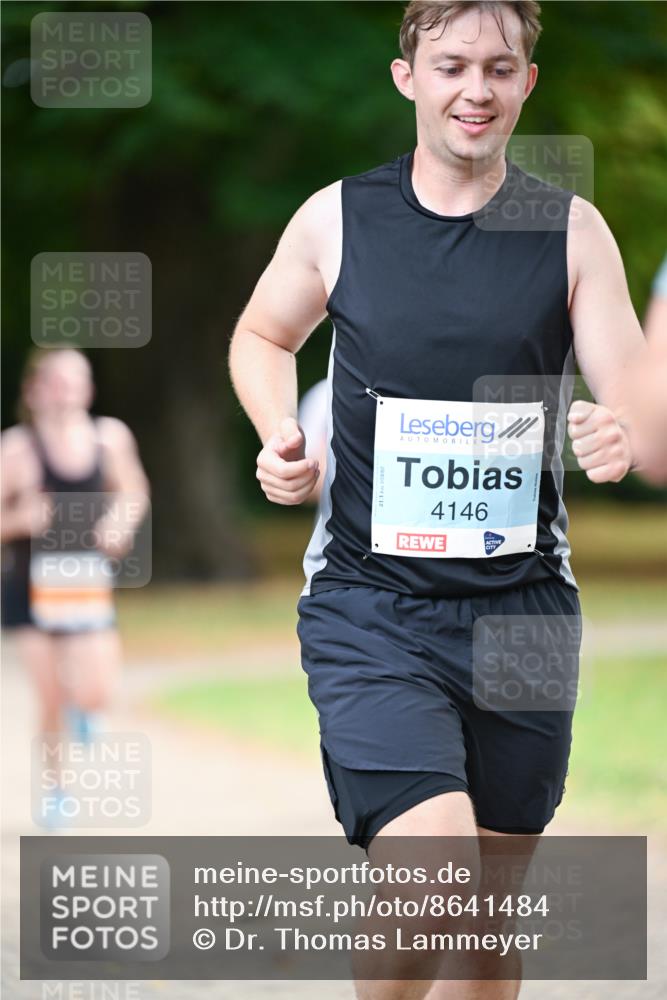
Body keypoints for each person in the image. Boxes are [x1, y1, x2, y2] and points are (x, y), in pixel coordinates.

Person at [229, 3, 645, 996]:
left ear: (525, 84)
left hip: (525, 615)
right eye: (451, 64)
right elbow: (260, 336)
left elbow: (630, 387)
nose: (476, 88)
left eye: (499, 68)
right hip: (373, 607)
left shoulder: (570, 230)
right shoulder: (338, 218)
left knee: (488, 937)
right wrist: (277, 433)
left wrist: (617, 429)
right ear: (405, 75)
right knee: (432, 883)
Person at [1, 347, 149, 775]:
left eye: (75, 381)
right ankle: (56, 790)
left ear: (89, 389)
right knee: (50, 696)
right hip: (27, 586)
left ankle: (86, 714)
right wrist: (17, 519)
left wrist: (120, 522)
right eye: (57, 382)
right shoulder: (14, 450)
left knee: (97, 690)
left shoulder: (110, 438)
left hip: (84, 580)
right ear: (34, 391)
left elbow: (133, 491)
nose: (66, 392)